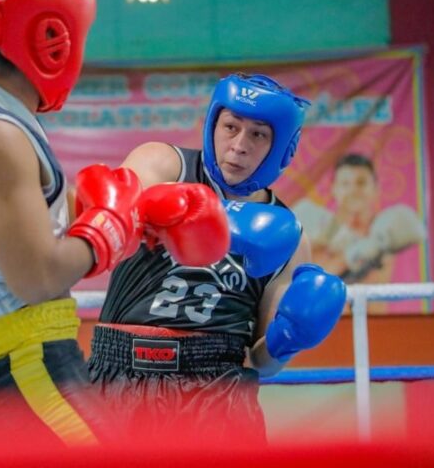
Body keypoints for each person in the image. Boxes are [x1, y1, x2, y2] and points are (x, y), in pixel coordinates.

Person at [0, 0, 229, 451]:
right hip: (10, 365)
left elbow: (38, 235)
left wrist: (132, 218)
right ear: (52, 37)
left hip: (11, 360)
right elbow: (38, 276)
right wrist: (107, 230)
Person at [87, 73, 348, 445]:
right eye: (230, 127)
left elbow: (263, 363)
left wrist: (286, 340)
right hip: (118, 374)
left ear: (282, 148)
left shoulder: (289, 237)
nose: (239, 145)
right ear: (212, 125)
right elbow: (118, 228)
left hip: (216, 389)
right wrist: (207, 216)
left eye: (258, 134)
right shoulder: (163, 166)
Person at [293, 153, 425, 285]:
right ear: (334, 188)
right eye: (345, 183)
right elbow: (307, 285)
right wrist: (349, 256)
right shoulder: (316, 225)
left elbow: (373, 300)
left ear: (375, 188)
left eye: (361, 183)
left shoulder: (383, 236)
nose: (353, 190)